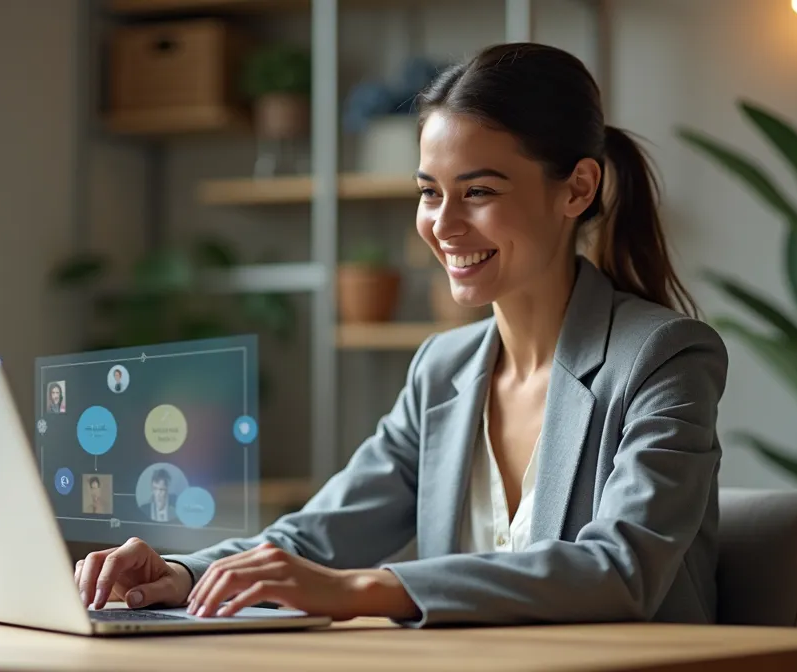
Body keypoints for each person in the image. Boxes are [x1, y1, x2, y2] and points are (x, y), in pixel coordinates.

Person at [73, 42, 727, 627]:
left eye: (478, 192)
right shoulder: (443, 369)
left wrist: (362, 589)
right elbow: (317, 537)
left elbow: (621, 570)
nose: (443, 225)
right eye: (429, 193)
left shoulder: (661, 357)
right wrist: (183, 575)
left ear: (578, 188)